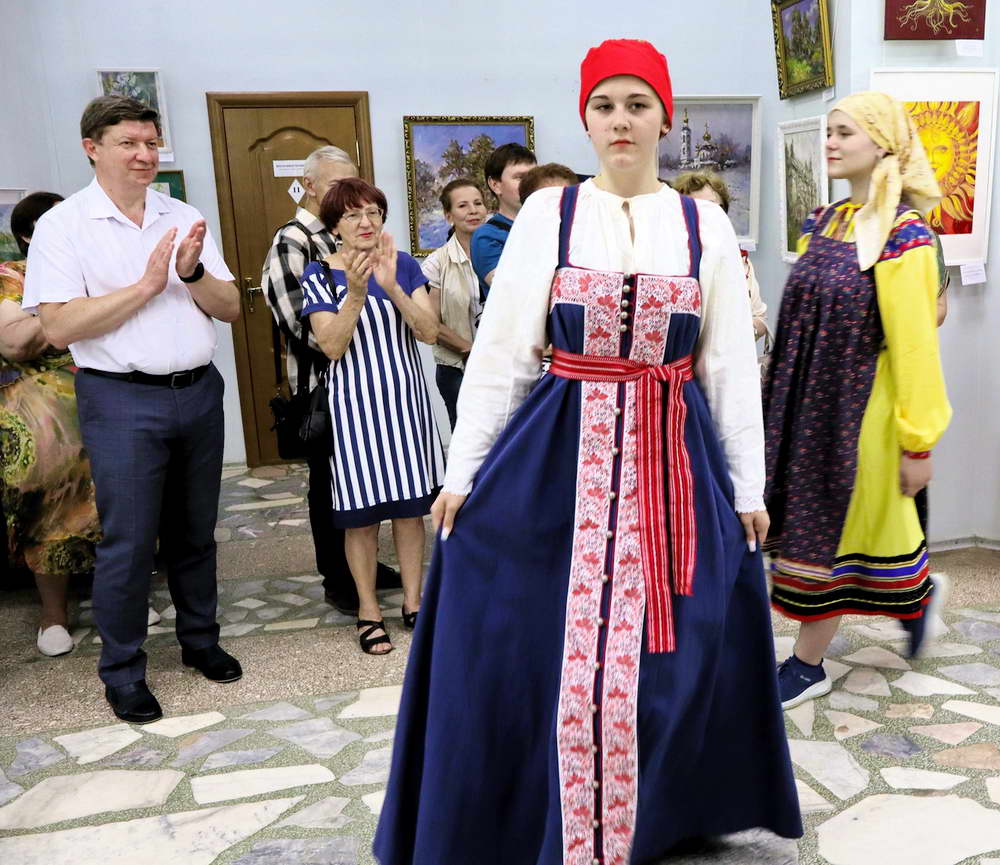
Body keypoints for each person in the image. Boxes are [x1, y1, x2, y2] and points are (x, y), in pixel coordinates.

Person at [374, 38, 800, 865]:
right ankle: (545, 808)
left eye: (638, 105)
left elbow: (724, 362)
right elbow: (503, 350)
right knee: (538, 640)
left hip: (677, 459)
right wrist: (463, 473)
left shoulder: (703, 224)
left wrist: (748, 487)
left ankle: (654, 810)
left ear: (665, 119)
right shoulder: (551, 216)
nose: (621, 120)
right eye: (604, 106)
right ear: (587, 118)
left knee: (678, 646)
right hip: (560, 455)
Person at [24, 95, 242, 724]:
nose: (145, 155)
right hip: (120, 398)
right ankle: (123, 671)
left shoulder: (184, 214)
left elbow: (229, 308)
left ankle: (200, 641)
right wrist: (147, 286)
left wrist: (192, 273)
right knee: (130, 542)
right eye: (129, 143)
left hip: (197, 391)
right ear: (92, 148)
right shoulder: (65, 225)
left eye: (151, 143)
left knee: (195, 533)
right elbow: (59, 326)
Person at [765, 92, 952, 711]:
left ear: (883, 143)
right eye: (830, 131)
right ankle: (918, 603)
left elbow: (915, 347)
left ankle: (806, 664)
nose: (831, 141)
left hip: (859, 415)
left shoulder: (905, 236)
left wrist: (918, 441)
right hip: (807, 407)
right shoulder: (824, 220)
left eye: (845, 132)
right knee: (865, 536)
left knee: (836, 536)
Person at [301, 178, 443, 656]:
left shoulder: (404, 264)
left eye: (373, 213)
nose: (365, 223)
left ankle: (413, 601)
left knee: (409, 512)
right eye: (352, 215)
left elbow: (428, 332)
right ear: (334, 227)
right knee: (359, 519)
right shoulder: (319, 274)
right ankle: (368, 610)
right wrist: (358, 293)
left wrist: (393, 288)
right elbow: (331, 345)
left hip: (405, 405)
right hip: (353, 412)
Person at [262, 145, 400, 614]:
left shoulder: (352, 235)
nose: (349, 196)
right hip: (326, 386)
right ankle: (338, 580)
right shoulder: (294, 240)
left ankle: (367, 568)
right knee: (329, 487)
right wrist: (344, 345)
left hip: (370, 383)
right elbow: (296, 322)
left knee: (367, 481)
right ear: (311, 187)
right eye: (337, 185)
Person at [672, 170, 769, 341]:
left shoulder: (740, 262)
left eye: (712, 208)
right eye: (695, 208)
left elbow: (760, 318)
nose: (705, 216)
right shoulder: (671, 263)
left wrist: (741, 334)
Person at [421, 178, 487, 427]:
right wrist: (471, 350)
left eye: (478, 203)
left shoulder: (506, 252)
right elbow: (430, 324)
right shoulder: (436, 264)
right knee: (467, 439)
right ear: (449, 216)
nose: (473, 210)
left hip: (503, 365)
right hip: (458, 369)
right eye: (463, 205)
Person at [470, 142, 536, 300]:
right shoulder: (486, 236)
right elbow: (513, 292)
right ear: (495, 185)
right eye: (520, 177)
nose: (530, 184)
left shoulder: (553, 225)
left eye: (534, 177)